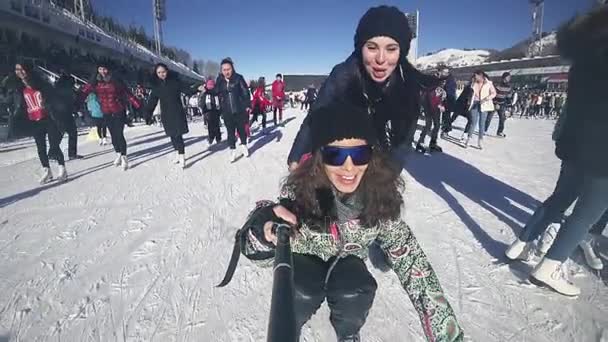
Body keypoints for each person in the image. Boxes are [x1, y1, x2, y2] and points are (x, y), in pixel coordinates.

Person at [224, 102, 463, 342]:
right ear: (319, 157)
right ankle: (292, 328)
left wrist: (448, 337)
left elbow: (415, 268)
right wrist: (263, 228)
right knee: (299, 290)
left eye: (360, 154)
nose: (349, 166)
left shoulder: (378, 200)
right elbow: (253, 245)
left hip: (347, 265)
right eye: (335, 154)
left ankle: (348, 334)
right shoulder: (300, 197)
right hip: (304, 264)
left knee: (355, 290)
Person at [504, 5, 608, 296]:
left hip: (576, 141)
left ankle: (520, 244)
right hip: (603, 150)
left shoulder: (584, 57)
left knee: (559, 199)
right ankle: (550, 267)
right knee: (586, 215)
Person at [287, 6, 439, 171]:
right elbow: (315, 118)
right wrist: (296, 157)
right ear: (361, 48)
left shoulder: (408, 86)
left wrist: (389, 180)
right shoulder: (343, 75)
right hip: (344, 149)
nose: (381, 59)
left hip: (379, 150)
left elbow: (402, 145)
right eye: (372, 47)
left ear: (401, 52)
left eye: (391, 49)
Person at [7, 62, 68, 183]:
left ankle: (62, 169)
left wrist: (49, 104)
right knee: (41, 147)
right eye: (17, 69)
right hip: (33, 119)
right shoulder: (18, 87)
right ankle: (47, 170)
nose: (19, 71)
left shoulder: (41, 83)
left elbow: (53, 97)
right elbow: (18, 103)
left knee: (54, 145)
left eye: (22, 69)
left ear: (28, 70)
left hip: (48, 117)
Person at [78, 63, 141, 170]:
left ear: (109, 69)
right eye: (100, 69)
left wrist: (138, 104)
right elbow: (85, 91)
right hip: (106, 112)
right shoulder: (95, 81)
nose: (102, 71)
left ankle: (124, 156)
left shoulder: (116, 80)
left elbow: (127, 93)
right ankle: (118, 154)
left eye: (104, 69)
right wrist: (77, 101)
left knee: (119, 134)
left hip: (118, 110)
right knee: (113, 135)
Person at [144, 63, 202, 169]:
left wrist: (197, 88)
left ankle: (182, 155)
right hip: (166, 113)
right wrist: (147, 113)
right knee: (172, 134)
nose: (162, 74)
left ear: (167, 71)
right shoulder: (156, 86)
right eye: (159, 72)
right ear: (156, 73)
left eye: (163, 72)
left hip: (177, 111)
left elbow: (187, 89)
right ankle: (177, 152)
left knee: (178, 134)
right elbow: (152, 101)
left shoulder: (174, 82)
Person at [215, 57, 251, 162]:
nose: (227, 72)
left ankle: (244, 145)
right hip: (227, 111)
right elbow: (215, 90)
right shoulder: (220, 80)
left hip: (239, 110)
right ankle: (232, 150)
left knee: (241, 130)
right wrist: (207, 89)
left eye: (228, 69)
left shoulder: (238, 78)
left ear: (232, 68)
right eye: (224, 70)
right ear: (221, 70)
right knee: (230, 132)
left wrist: (247, 104)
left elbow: (245, 92)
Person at [54, 69, 83, 159]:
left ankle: (54, 153)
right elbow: (71, 102)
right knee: (68, 133)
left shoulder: (58, 87)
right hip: (64, 114)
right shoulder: (67, 90)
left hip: (60, 114)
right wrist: (76, 111)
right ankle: (70, 154)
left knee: (62, 134)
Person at [464, 70, 496, 149]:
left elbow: (494, 93)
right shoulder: (473, 83)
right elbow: (469, 93)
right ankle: (468, 139)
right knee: (473, 122)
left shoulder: (488, 83)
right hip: (474, 103)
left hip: (484, 104)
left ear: (481, 76)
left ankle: (480, 141)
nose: (475, 77)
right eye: (474, 76)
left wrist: (486, 98)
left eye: (476, 76)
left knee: (482, 123)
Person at [417, 77, 446, 153]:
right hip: (429, 109)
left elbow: (439, 99)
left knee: (436, 125)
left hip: (434, 109)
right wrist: (439, 105)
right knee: (429, 125)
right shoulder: (433, 89)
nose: (444, 84)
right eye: (443, 82)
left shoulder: (440, 90)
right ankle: (420, 143)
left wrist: (441, 104)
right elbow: (432, 100)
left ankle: (432, 143)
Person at [485, 72, 512, 138]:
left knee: (502, 118)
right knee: (489, 117)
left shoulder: (509, 87)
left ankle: (500, 131)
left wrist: (509, 106)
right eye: (507, 77)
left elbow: (508, 97)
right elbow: (493, 95)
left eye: (509, 77)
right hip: (495, 103)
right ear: (504, 77)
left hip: (502, 104)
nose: (508, 79)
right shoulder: (498, 85)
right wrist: (496, 103)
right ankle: (484, 130)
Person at [201, 79, 222, 144]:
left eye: (211, 85)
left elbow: (220, 100)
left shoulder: (216, 92)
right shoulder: (205, 93)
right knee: (210, 125)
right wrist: (203, 109)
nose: (210, 86)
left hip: (216, 110)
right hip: (208, 111)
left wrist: (221, 110)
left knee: (216, 125)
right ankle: (211, 137)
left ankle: (218, 137)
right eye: (209, 85)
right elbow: (202, 101)